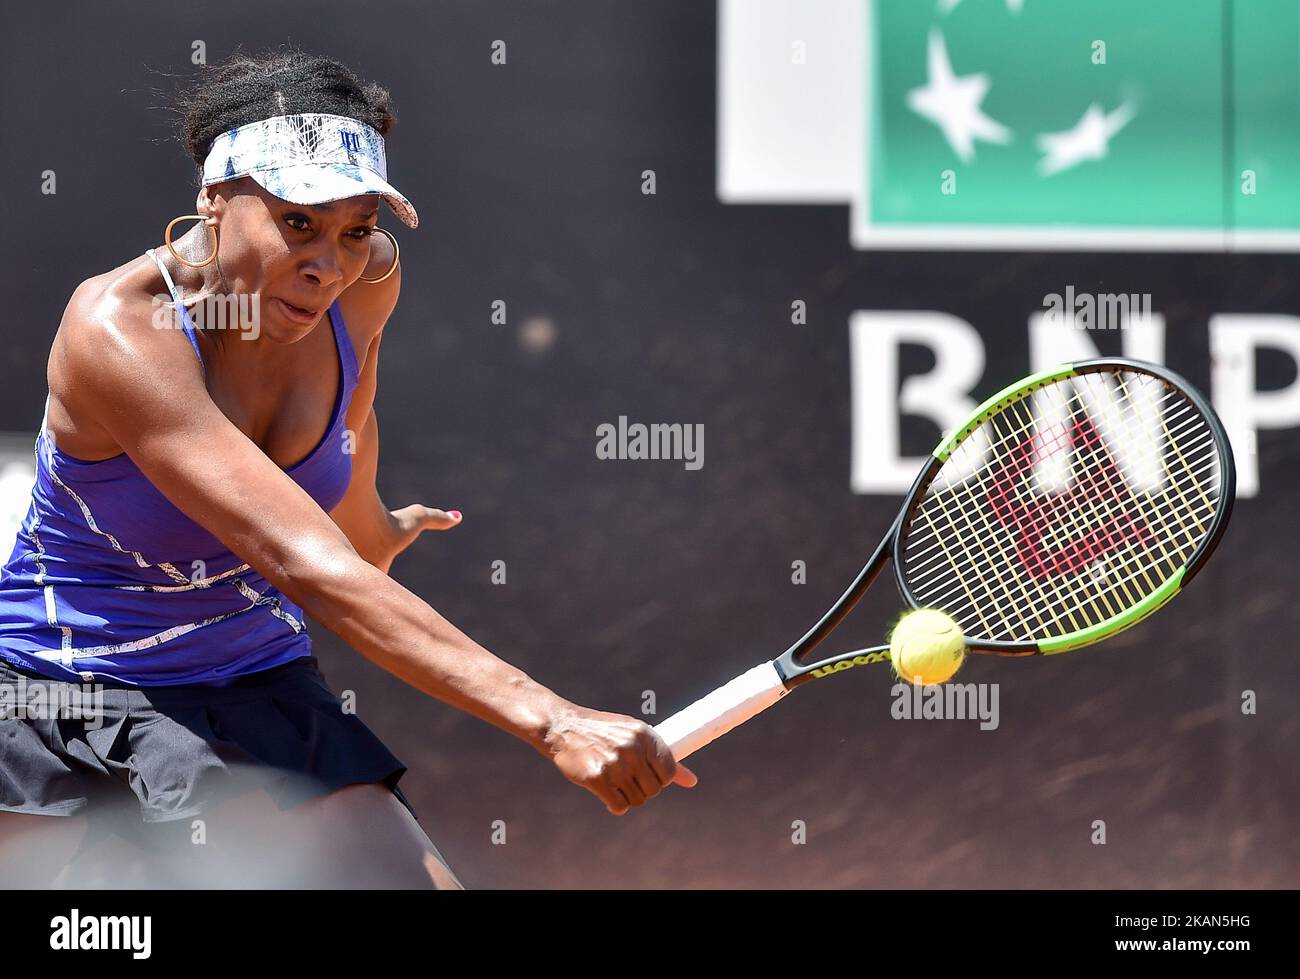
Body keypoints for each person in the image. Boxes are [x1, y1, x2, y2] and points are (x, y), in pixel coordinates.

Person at [0, 46, 696, 890]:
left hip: (257, 681)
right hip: (63, 697)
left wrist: (368, 527)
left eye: (356, 228)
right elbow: (301, 558)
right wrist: (554, 719)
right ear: (215, 202)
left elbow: (350, 427)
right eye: (298, 222)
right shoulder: (119, 329)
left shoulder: (366, 288)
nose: (329, 263)